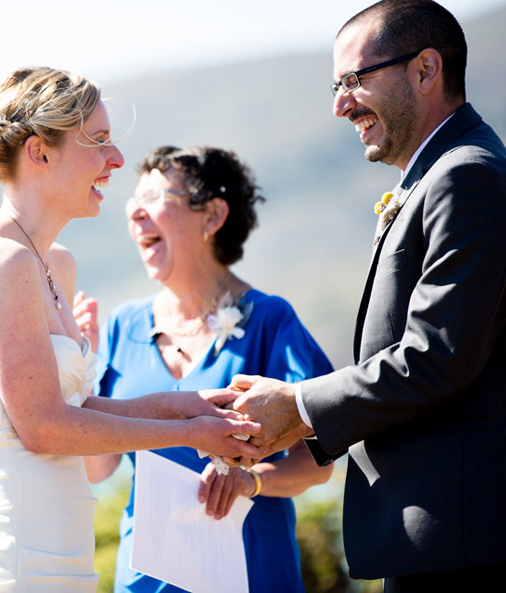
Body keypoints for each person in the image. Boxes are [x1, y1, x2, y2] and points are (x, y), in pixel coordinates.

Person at [228, 1, 506, 591]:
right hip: (444, 539)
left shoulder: (466, 177)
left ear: (425, 70)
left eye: (355, 79)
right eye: (336, 84)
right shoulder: (441, 175)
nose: (340, 103)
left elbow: (435, 357)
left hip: (465, 545)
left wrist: (297, 407)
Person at [0, 67, 264, 593]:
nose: (116, 161)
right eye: (100, 141)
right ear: (40, 153)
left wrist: (188, 404)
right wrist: (189, 434)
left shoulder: (53, 263)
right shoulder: (1, 262)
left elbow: (77, 412)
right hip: (16, 565)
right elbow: (43, 428)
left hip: (66, 564)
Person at [80, 146, 334, 593]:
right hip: (145, 581)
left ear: (213, 215)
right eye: (131, 203)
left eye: (155, 196)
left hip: (252, 574)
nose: (135, 213)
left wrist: (250, 480)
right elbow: (97, 468)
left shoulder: (271, 320)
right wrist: (81, 365)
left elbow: (319, 461)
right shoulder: (122, 325)